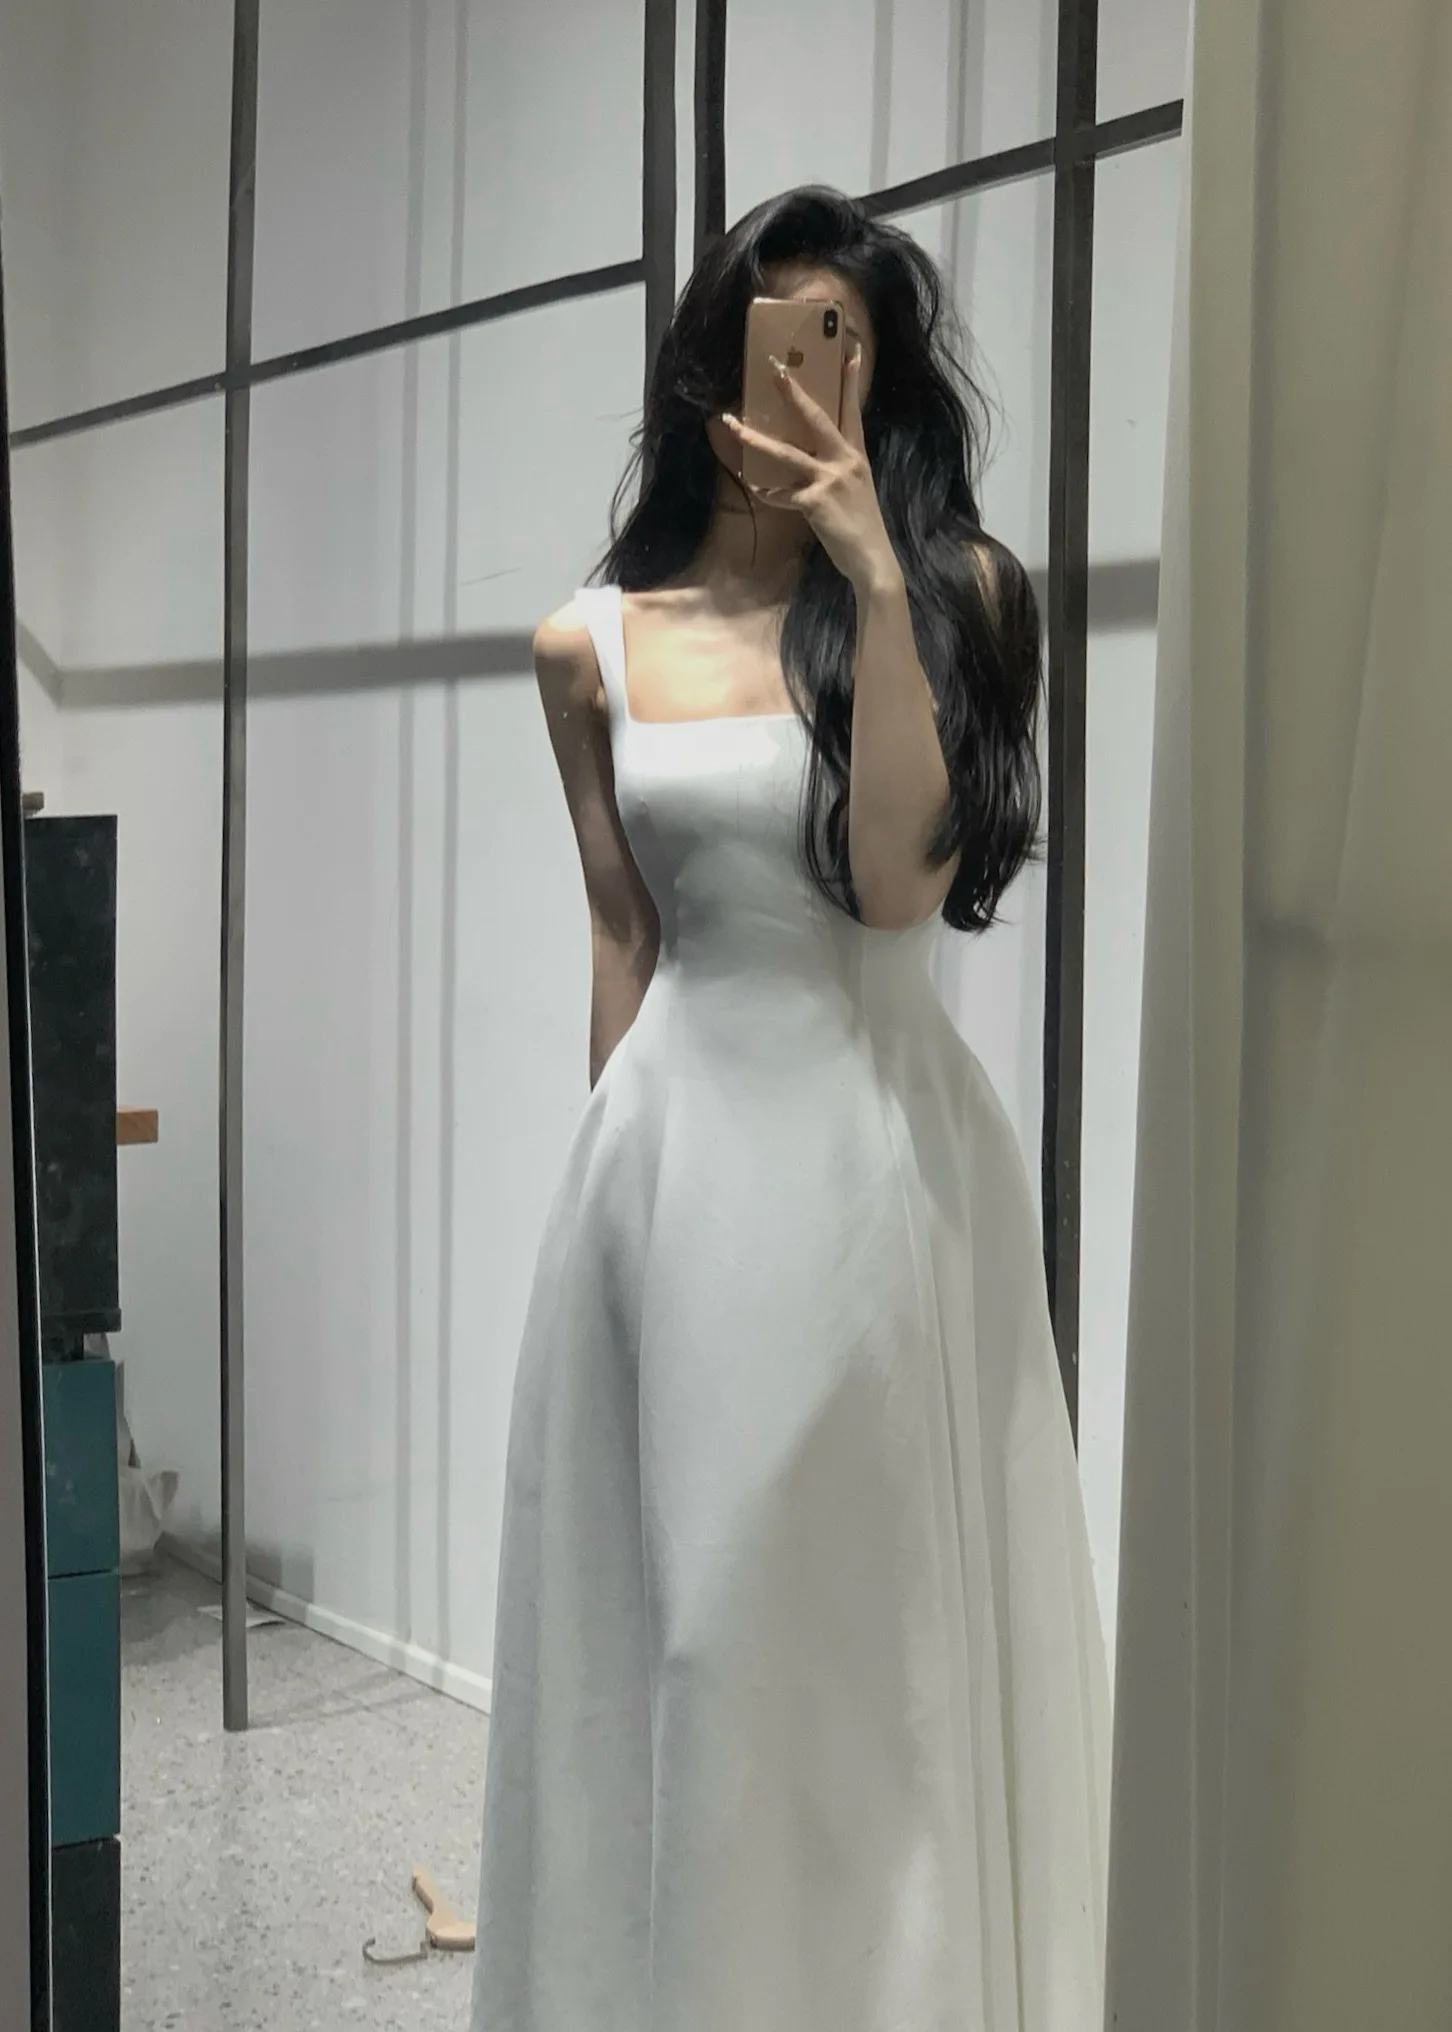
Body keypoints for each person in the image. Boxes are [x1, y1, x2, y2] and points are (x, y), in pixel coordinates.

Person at [471, 185, 1109, 2032]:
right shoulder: (590, 643)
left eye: (849, 348)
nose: (808, 381)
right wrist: (605, 1212)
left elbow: (903, 890)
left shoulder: (964, 596)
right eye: (777, 342)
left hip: (882, 1168)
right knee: (689, 1634)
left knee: (876, 1649)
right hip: (672, 1175)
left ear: (884, 379)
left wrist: (875, 581)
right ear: (708, 367)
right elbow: (623, 928)